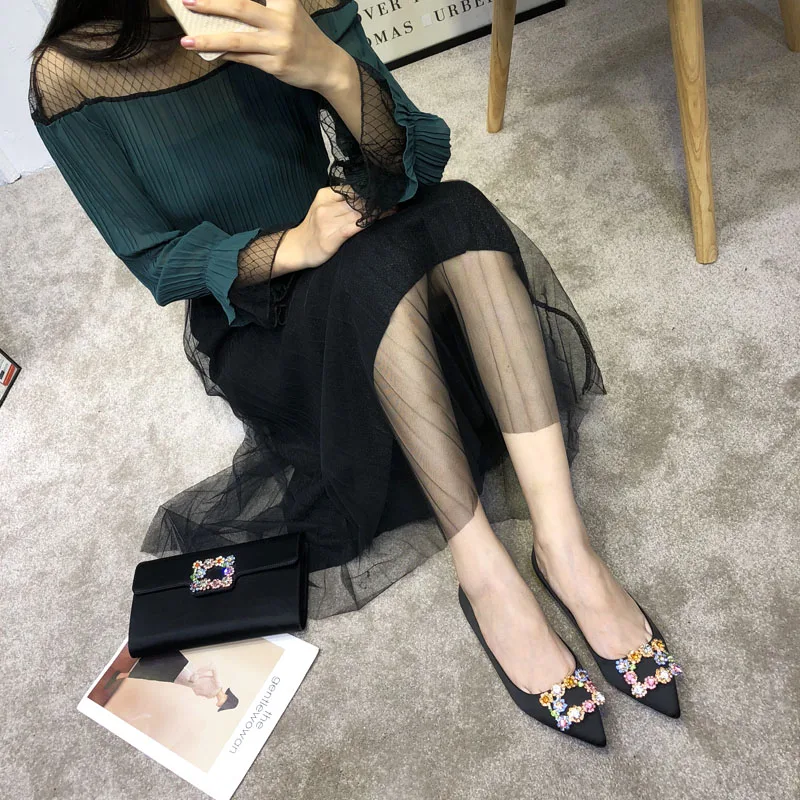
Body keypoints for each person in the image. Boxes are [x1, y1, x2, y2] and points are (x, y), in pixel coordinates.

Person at [29, 0, 682, 745]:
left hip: (352, 239)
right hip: (263, 317)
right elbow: (156, 260)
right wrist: (293, 246)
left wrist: (330, 69)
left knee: (460, 210)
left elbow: (419, 162)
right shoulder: (72, 75)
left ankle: (564, 546)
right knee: (374, 272)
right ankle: (484, 573)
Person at [108, 651, 239, 711]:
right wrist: (197, 675)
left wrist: (194, 684)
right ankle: (125, 671)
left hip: (180, 680)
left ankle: (122, 675)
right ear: (226, 700)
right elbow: (213, 666)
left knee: (154, 675)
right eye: (223, 706)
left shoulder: (210, 695)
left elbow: (196, 691)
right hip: (185, 671)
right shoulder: (218, 685)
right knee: (164, 660)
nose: (219, 706)